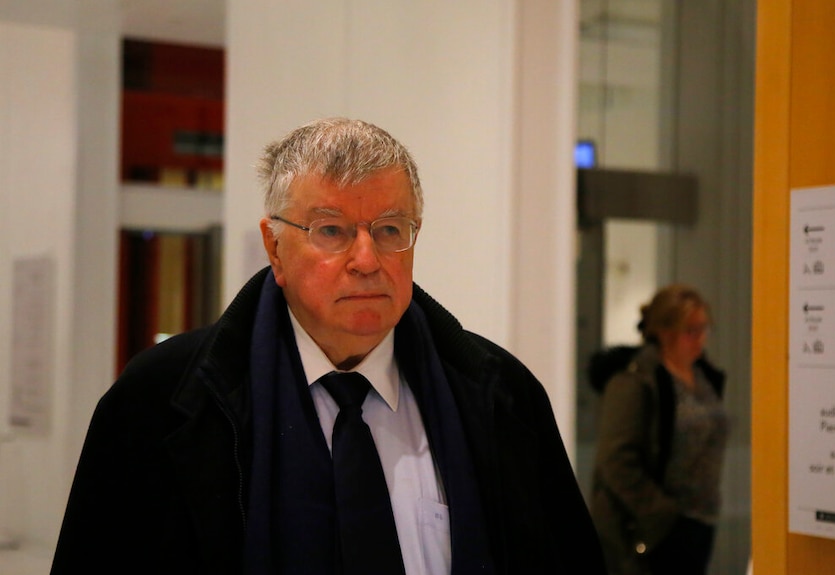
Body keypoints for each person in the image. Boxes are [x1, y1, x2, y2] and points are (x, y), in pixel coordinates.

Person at [51, 117, 606, 575]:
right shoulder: (158, 403)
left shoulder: (500, 396)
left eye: (390, 230)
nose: (367, 259)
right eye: (331, 231)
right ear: (274, 247)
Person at [589, 284, 728, 575]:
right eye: (691, 330)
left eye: (704, 329)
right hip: (653, 529)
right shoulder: (635, 380)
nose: (701, 339)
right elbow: (615, 460)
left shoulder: (704, 375)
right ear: (665, 332)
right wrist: (661, 514)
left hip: (699, 520)